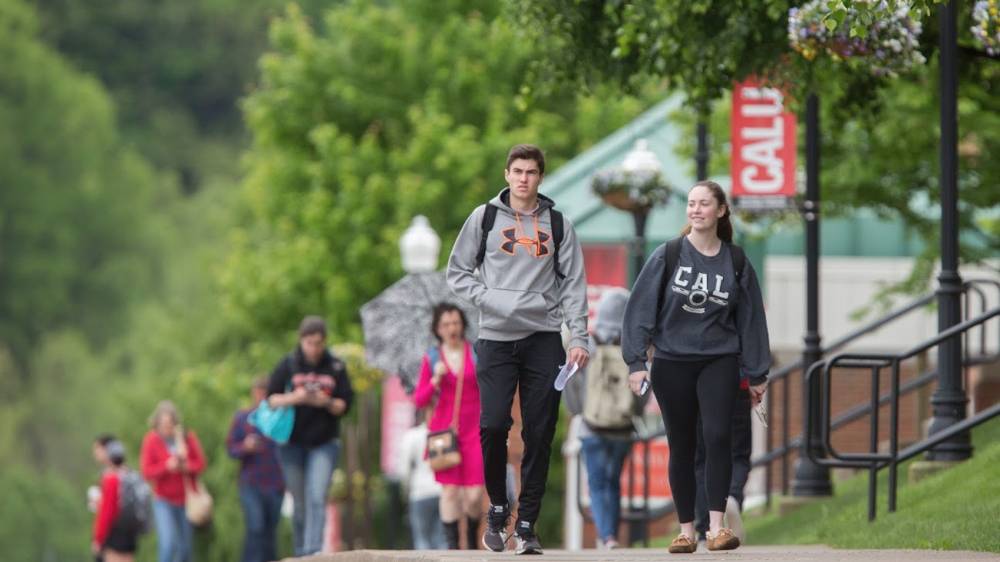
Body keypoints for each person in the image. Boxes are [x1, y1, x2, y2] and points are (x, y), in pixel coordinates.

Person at [447, 144, 590, 555]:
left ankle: (526, 524)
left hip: (544, 338)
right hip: (495, 338)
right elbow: (457, 273)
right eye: (517, 171)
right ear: (507, 174)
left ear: (540, 177)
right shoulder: (485, 217)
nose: (524, 178)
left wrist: (578, 336)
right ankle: (497, 506)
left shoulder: (559, 224)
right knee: (492, 426)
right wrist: (492, 300)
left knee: (540, 432)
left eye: (531, 172)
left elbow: (574, 285)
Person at [622, 180, 770, 554]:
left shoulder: (735, 261)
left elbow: (752, 321)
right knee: (682, 445)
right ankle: (686, 530)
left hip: (719, 360)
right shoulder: (669, 254)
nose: (696, 209)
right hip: (672, 362)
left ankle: (716, 528)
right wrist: (636, 361)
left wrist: (757, 373)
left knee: (718, 437)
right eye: (691, 204)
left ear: (721, 211)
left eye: (704, 203)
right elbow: (639, 309)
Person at [266, 315, 354, 556]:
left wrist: (325, 401)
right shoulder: (289, 363)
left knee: (317, 495)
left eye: (318, 343)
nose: (313, 348)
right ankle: (301, 551)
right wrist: (297, 398)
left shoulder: (335, 366)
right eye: (309, 342)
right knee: (300, 502)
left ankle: (314, 551)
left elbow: (345, 405)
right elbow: (271, 399)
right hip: (291, 444)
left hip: (324, 443)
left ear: (324, 342)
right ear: (301, 340)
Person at [563, 289, 639, 550]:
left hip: (592, 426)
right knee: (613, 481)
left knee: (596, 483)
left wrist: (578, 411)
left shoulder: (589, 343)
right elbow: (641, 386)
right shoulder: (632, 345)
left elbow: (570, 383)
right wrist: (633, 411)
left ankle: (605, 536)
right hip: (623, 427)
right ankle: (611, 536)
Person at [412, 303, 485, 550]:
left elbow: (489, 389)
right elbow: (420, 399)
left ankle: (473, 536)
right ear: (438, 329)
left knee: (474, 494)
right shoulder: (431, 358)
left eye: (455, 322)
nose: (452, 328)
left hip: (474, 429)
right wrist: (435, 380)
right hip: (444, 431)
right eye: (446, 324)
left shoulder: (476, 353)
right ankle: (454, 548)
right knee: (450, 491)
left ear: (463, 325)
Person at [226, 377, 286, 562]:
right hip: (250, 483)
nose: (260, 396)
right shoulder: (243, 418)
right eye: (258, 391)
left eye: (264, 392)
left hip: (276, 483)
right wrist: (245, 447)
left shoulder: (280, 419)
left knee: (270, 532)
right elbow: (231, 449)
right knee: (255, 527)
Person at [140, 401, 206, 562]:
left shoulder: (186, 437)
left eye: (170, 424)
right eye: (163, 425)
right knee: (168, 543)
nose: (166, 429)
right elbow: (147, 472)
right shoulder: (151, 440)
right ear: (156, 424)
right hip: (163, 500)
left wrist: (186, 466)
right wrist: (166, 466)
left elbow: (201, 464)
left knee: (185, 548)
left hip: (186, 500)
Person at [693, 378, 753, 544]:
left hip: (698, 388)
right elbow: (752, 352)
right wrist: (757, 380)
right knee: (738, 454)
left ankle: (706, 528)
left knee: (702, 460)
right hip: (738, 384)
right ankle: (732, 496)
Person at [396, 410, 447, 550]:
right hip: (441, 491)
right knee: (441, 538)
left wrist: (405, 491)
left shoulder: (412, 436)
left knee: (421, 538)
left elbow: (404, 470)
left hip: (419, 492)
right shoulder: (442, 434)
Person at [92, 437, 139, 562]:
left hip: (114, 533)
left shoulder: (111, 478)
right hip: (130, 531)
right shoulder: (131, 475)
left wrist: (98, 538)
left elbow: (107, 512)